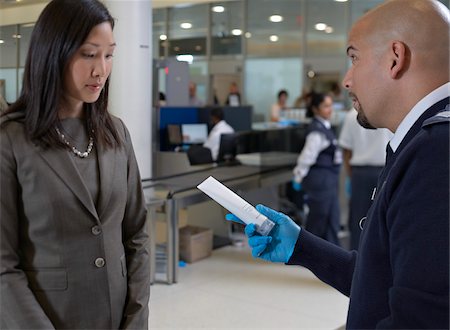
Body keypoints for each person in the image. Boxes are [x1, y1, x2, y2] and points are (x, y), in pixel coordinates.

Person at [226, 0, 449, 328]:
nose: (346, 80)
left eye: (354, 58)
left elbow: (421, 320)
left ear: (395, 58)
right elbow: (384, 280)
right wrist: (301, 246)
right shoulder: (423, 142)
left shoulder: (436, 152)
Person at [0, 1, 150, 329]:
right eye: (88, 54)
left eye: (109, 54)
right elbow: (2, 266)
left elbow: (136, 234)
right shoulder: (12, 139)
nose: (101, 70)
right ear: (53, 52)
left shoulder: (115, 133)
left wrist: (136, 320)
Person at [292, 92, 342, 245]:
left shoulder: (325, 126)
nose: (330, 109)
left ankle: (333, 254)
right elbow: (308, 156)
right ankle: (310, 252)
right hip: (320, 180)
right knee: (318, 219)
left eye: (330, 106)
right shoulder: (316, 131)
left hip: (328, 180)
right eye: (325, 106)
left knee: (332, 218)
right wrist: (298, 176)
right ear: (315, 109)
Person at [338, 108, 392, 250]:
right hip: (384, 170)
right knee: (383, 219)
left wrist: (351, 175)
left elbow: (346, 151)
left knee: (359, 219)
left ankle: (357, 260)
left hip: (360, 173)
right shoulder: (388, 110)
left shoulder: (351, 115)